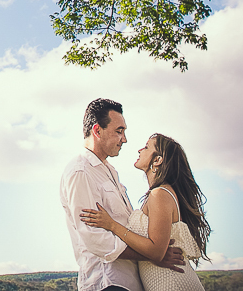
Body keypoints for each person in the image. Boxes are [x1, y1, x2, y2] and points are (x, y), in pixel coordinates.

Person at [60, 99, 184, 291]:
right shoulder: (81, 171)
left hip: (130, 282)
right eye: (119, 131)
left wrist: (154, 250)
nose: (124, 139)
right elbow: (95, 239)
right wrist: (153, 255)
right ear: (97, 130)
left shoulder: (110, 172)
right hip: (107, 282)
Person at [80, 133, 210, 291]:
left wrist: (112, 225)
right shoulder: (157, 194)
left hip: (172, 283)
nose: (140, 150)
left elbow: (156, 252)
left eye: (147, 147)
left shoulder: (160, 194)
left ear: (157, 160)